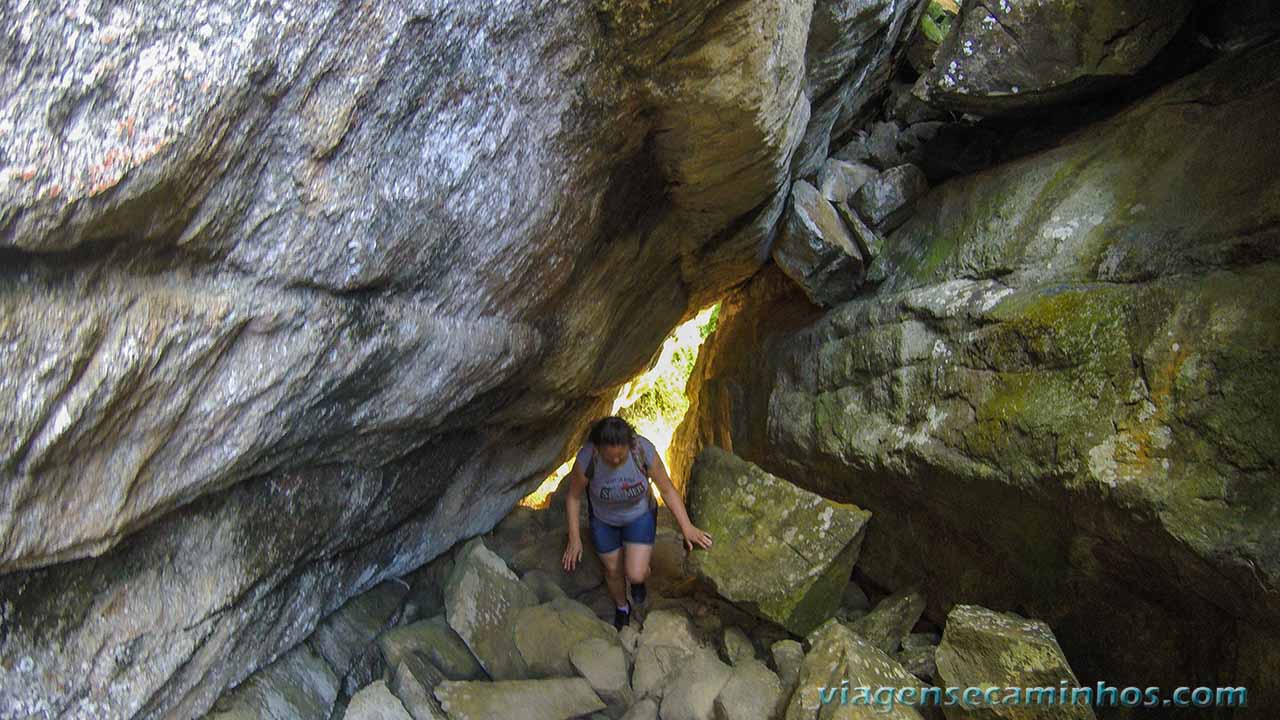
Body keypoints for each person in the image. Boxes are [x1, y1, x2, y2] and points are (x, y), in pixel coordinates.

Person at [560, 416, 713, 629]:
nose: (615, 462)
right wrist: (574, 539)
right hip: (604, 520)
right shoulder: (588, 458)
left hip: (639, 515)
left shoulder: (642, 451)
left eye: (620, 457)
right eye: (609, 457)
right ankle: (622, 608)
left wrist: (687, 527)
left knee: (636, 573)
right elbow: (573, 497)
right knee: (613, 570)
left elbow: (667, 489)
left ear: (629, 445)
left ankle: (638, 580)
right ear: (598, 448)